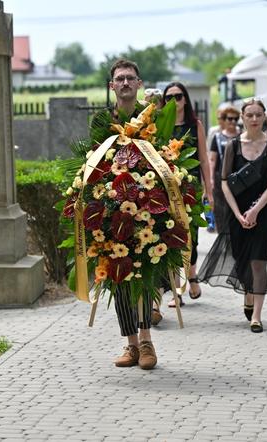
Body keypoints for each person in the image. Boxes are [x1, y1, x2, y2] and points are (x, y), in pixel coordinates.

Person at [92, 59, 157, 369]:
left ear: (139, 83)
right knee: (119, 274)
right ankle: (130, 345)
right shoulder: (101, 121)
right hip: (112, 208)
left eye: (131, 78)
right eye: (120, 78)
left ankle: (147, 342)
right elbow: (92, 162)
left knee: (143, 273)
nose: (126, 83)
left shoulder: (152, 118)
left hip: (148, 206)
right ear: (112, 86)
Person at [198, 98, 267, 333]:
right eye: (250, 115)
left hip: (263, 210)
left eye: (258, 115)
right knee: (241, 259)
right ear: (243, 118)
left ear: (264, 117)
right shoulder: (232, 146)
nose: (254, 119)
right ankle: (248, 293)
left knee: (259, 261)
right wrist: (238, 213)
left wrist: (255, 210)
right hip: (235, 211)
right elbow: (224, 182)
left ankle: (256, 315)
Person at [161, 82, 214, 307]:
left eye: (179, 96)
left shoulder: (195, 125)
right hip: (166, 190)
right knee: (171, 238)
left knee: (191, 236)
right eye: (170, 96)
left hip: (191, 189)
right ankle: (176, 291)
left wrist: (209, 191)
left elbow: (203, 159)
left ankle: (192, 276)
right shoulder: (159, 126)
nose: (175, 100)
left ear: (186, 99)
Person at [209, 106, 240, 233]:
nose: (232, 122)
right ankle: (223, 235)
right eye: (230, 119)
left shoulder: (242, 136)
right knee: (220, 208)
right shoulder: (217, 137)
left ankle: (235, 238)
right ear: (224, 120)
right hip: (220, 176)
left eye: (235, 119)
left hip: (239, 176)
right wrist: (210, 178)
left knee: (236, 207)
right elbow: (212, 159)